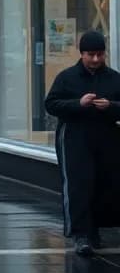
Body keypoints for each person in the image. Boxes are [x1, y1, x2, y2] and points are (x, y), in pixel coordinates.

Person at [44, 30, 120, 256]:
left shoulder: (114, 78)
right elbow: (52, 104)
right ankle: (80, 234)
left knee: (104, 182)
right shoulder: (67, 77)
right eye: (91, 55)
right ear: (82, 54)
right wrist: (78, 103)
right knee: (78, 184)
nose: (95, 60)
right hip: (75, 137)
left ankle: (95, 229)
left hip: (106, 137)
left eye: (99, 55)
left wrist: (112, 106)